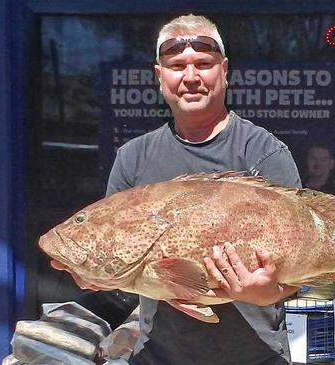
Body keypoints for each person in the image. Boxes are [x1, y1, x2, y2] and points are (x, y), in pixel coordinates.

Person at [103, 14, 301, 365]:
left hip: (256, 358)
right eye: (177, 65)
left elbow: (295, 269)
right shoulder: (132, 159)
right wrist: (94, 274)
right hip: (156, 357)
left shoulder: (263, 151)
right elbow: (115, 253)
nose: (190, 77)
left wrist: (264, 292)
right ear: (159, 76)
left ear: (224, 71)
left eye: (203, 64)